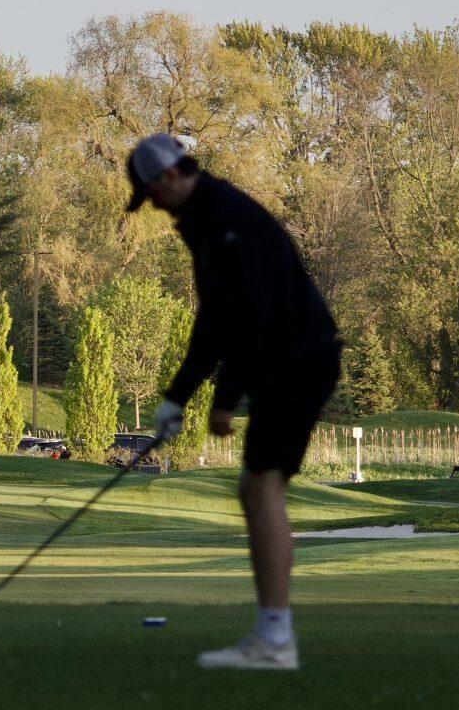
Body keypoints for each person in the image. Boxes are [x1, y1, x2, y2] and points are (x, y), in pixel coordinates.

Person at [129, 133, 340, 672]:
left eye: (149, 193)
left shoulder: (225, 218)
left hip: (299, 360)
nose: (150, 205)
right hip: (287, 363)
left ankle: (275, 640)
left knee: (261, 486)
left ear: (170, 177)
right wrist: (177, 397)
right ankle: (273, 634)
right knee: (256, 487)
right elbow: (214, 323)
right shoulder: (205, 220)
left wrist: (223, 401)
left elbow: (251, 315)